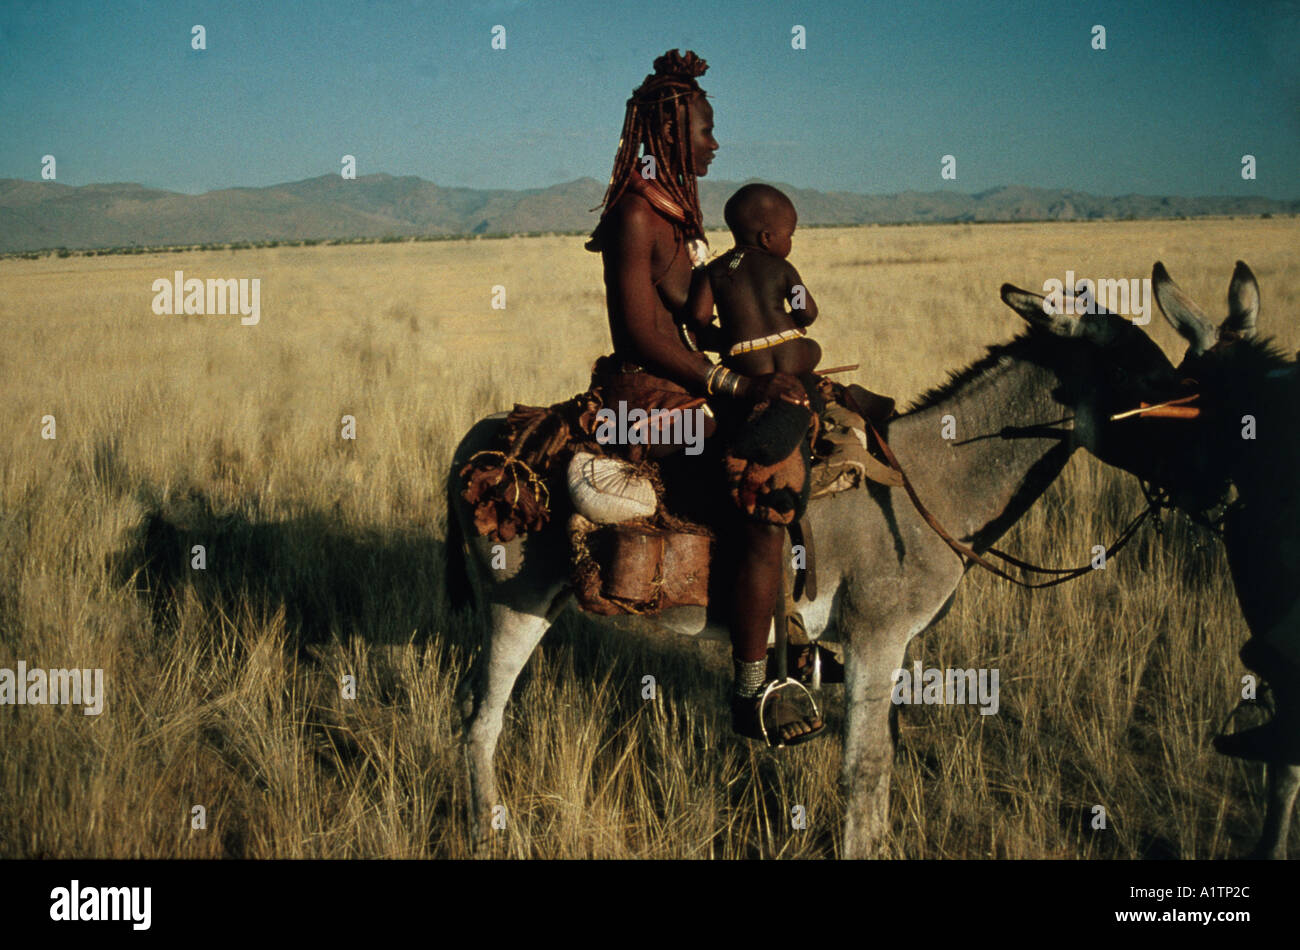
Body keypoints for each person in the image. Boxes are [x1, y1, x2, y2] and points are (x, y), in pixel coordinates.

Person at [586, 50, 825, 744]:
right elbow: (638, 331)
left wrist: (763, 352)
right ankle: (752, 691)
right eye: (705, 130)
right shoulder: (637, 213)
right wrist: (733, 382)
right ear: (669, 135)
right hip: (646, 396)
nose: (714, 143)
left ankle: (795, 632)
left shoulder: (668, 212)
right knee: (759, 502)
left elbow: (686, 319)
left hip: (685, 381)